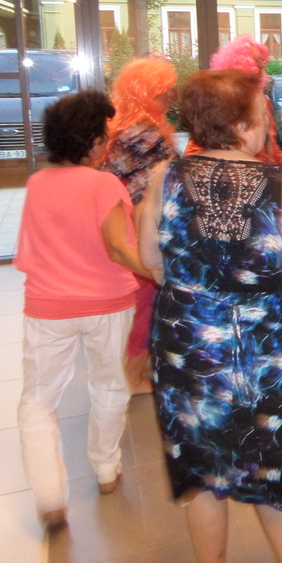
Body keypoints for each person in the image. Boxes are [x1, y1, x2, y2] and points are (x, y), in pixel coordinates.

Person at [138, 69, 282, 563]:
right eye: (262, 115)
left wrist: (195, 291)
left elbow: (151, 261)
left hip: (186, 343)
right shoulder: (280, 188)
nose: (269, 124)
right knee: (271, 458)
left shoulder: (164, 178)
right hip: (263, 349)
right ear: (242, 126)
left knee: (202, 469)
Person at [14, 90, 150, 533]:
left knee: (38, 399)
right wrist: (162, 274)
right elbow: (118, 248)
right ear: (91, 142)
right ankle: (106, 469)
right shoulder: (103, 184)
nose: (107, 144)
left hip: (47, 305)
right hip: (107, 303)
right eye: (104, 137)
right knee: (109, 385)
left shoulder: (37, 183)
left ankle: (50, 499)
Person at [101, 56, 178, 394]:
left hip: (125, 220)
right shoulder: (144, 132)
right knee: (149, 301)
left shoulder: (121, 124)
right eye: (164, 92)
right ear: (145, 93)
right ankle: (132, 377)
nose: (170, 98)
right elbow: (158, 186)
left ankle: (140, 368)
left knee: (143, 301)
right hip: (141, 224)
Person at [184, 34, 282, 183]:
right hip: (233, 182)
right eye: (257, 60)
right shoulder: (220, 102)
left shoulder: (260, 101)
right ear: (241, 63)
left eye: (263, 60)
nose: (262, 65)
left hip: (260, 180)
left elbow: (270, 146)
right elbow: (196, 147)